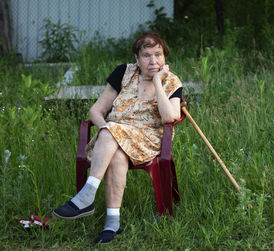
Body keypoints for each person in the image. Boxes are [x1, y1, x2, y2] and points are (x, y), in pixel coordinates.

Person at [53, 31, 183, 244]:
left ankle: (86, 196)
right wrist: (107, 132)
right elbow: (96, 111)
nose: (153, 61)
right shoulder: (123, 73)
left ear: (165, 57)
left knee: (111, 132)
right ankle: (112, 224)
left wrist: (158, 82)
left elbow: (169, 117)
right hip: (116, 136)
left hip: (147, 140)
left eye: (158, 55)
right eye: (147, 55)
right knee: (115, 154)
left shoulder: (171, 81)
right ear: (137, 59)